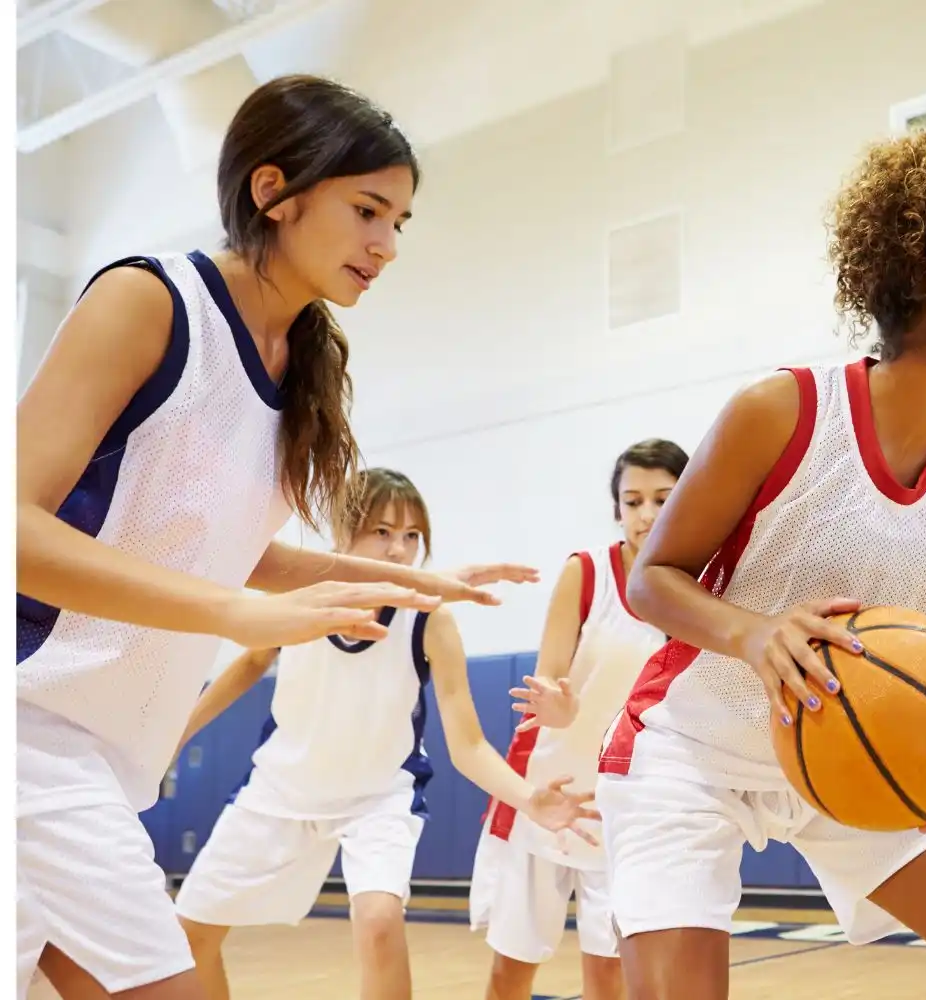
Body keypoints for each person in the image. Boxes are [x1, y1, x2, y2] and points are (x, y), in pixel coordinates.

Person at [15, 75, 522, 1000]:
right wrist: (239, 614)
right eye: (369, 209)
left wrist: (406, 585)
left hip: (96, 754)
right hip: (30, 725)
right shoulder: (150, 302)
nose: (388, 244)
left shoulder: (300, 376)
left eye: (400, 222)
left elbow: (224, 551)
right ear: (271, 192)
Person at [592, 130, 926, 1000]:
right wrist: (754, 633)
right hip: (694, 752)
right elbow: (650, 577)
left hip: (850, 750)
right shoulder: (782, 412)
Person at [171, 468, 598, 1000]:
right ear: (343, 532)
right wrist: (179, 731)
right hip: (279, 791)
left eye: (412, 536)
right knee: (187, 938)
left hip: (378, 799)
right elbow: (251, 661)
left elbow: (467, 744)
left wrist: (529, 798)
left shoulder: (429, 622)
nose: (399, 550)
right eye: (382, 531)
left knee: (378, 920)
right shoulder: (302, 594)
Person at [472, 439, 690, 1000]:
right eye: (633, 500)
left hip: (626, 804)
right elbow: (550, 679)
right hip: (549, 789)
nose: (646, 514)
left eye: (663, 499)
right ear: (616, 508)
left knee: (611, 972)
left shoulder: (695, 586)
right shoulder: (586, 571)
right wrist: (558, 705)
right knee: (511, 972)